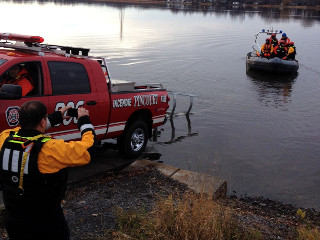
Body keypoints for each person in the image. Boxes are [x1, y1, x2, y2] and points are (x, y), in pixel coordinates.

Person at [0, 100, 95, 240]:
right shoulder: (51, 149)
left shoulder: (4, 138)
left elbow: (24, 130)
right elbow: (88, 149)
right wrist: (84, 120)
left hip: (14, 219)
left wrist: (55, 117)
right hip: (46, 223)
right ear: (43, 122)